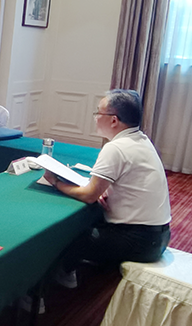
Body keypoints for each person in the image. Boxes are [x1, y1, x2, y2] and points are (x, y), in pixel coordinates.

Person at [44, 89, 171, 277]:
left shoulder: (116, 148)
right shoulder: (142, 140)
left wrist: (55, 182)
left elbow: (89, 196)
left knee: (65, 236)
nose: (95, 118)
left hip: (139, 241)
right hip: (160, 236)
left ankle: (59, 281)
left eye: (98, 113)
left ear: (113, 120)